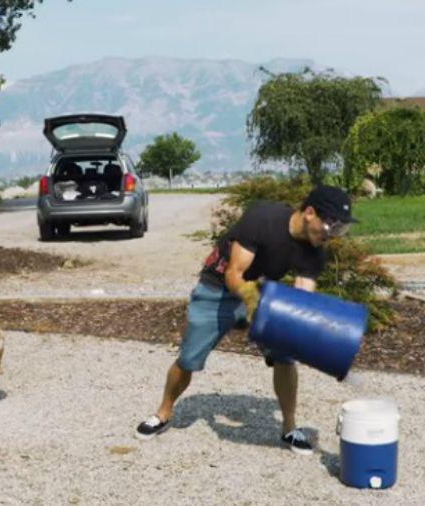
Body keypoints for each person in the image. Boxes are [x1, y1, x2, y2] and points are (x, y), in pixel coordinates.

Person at [135, 185, 357, 455]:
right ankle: (163, 413)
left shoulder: (315, 250)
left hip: (263, 293)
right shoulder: (263, 219)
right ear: (310, 213)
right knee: (189, 358)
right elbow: (234, 274)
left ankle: (289, 428)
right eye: (332, 225)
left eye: (340, 229)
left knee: (285, 356)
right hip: (218, 288)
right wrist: (253, 303)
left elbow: (303, 297)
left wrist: (302, 330)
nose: (333, 235)